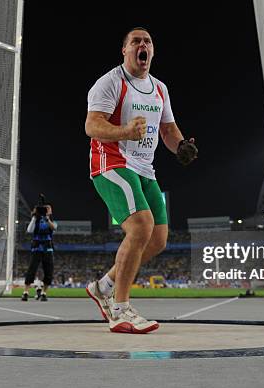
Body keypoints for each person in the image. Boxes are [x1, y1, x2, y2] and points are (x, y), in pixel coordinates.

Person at [84, 27, 198, 333]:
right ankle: (120, 310)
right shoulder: (110, 83)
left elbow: (168, 130)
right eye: (136, 41)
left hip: (145, 169)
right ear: (125, 50)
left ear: (152, 50)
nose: (142, 45)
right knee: (140, 226)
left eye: (147, 41)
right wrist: (123, 132)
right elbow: (92, 126)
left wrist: (182, 146)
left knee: (158, 239)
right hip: (112, 163)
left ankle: (104, 286)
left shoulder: (159, 88)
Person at [22, 203, 57, 302]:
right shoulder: (36, 220)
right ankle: (25, 292)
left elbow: (54, 228)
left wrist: (47, 219)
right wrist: (34, 217)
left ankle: (44, 293)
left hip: (48, 248)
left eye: (48, 209)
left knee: (48, 271)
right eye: (44, 209)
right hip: (37, 248)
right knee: (31, 270)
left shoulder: (52, 221)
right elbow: (29, 230)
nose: (46, 210)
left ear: (50, 211)